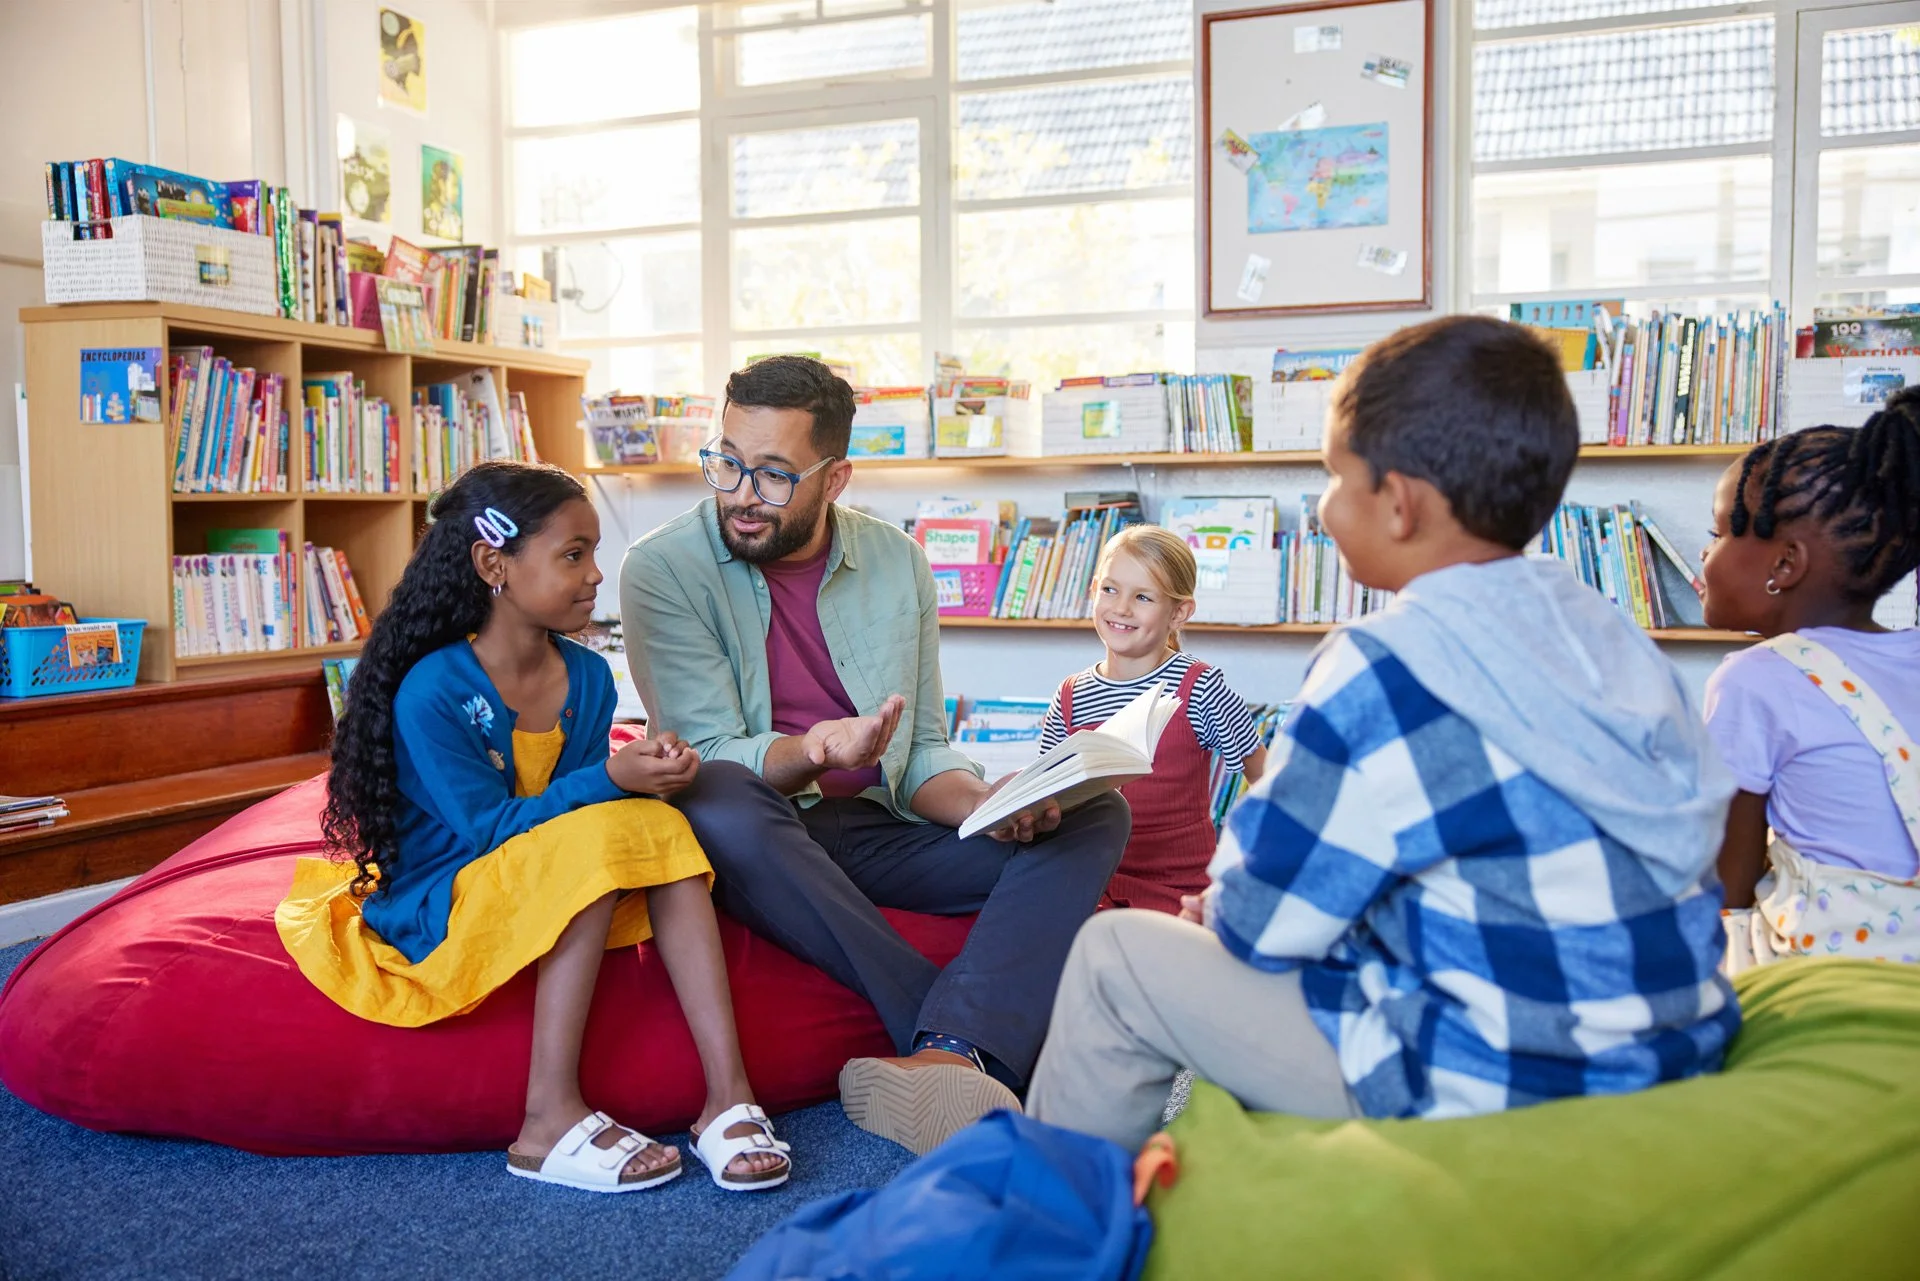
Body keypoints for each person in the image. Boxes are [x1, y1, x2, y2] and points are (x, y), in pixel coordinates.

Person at [1026, 315, 1741, 1153]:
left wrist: (1220, 907)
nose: (1326, 507)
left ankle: (1046, 1219)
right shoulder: (1606, 627)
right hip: (1671, 1035)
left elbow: (1260, 919)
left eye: (1334, 477)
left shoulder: (1381, 663)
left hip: (1500, 1069)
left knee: (1115, 957)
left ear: (1398, 503)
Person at [621, 356, 1130, 1156]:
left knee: (1095, 809)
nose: (742, 494)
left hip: (871, 830)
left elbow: (922, 750)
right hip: (753, 835)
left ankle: (947, 1053)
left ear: (836, 477)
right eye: (727, 462)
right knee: (716, 789)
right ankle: (965, 1034)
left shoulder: (898, 561)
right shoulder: (662, 567)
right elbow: (706, 750)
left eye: (774, 475)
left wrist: (991, 802)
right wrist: (816, 748)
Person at [278, 461, 792, 1194]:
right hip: (449, 888)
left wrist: (649, 773)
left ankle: (727, 1094)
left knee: (661, 825)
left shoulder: (588, 677)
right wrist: (612, 778)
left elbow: (578, 808)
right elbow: (490, 828)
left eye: (594, 554)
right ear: (495, 564)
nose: (593, 576)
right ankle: (547, 1116)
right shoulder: (436, 687)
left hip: (540, 875)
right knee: (593, 837)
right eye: (573, 554)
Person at [1699, 391, 1920, 970]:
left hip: (1826, 979)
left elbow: (1728, 880)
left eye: (1719, 533)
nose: (1705, 553)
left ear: (1784, 566)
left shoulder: (1755, 679)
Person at [1035, 524, 1267, 913]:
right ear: (1093, 590)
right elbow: (1047, 798)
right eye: (1110, 589)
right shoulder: (1070, 696)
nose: (1122, 608)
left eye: (1143, 597)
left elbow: (1266, 777)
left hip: (1178, 892)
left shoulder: (1200, 685)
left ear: (1179, 613)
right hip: (1091, 885)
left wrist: (1252, 867)